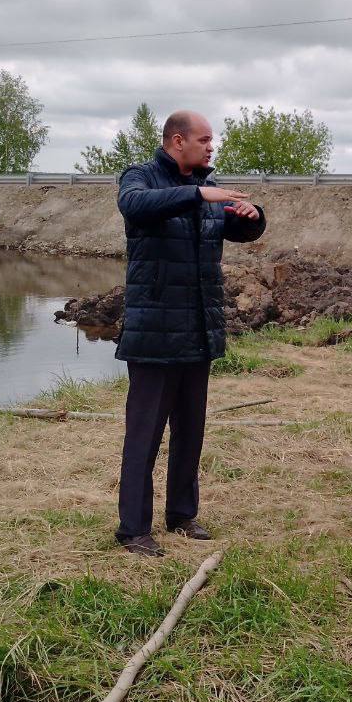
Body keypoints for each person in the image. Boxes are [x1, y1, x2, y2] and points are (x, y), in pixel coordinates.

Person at [113, 110, 266, 557]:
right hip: (154, 334)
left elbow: (242, 230)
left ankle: (182, 515)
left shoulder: (208, 193)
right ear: (177, 141)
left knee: (190, 432)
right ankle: (133, 529)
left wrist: (253, 216)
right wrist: (199, 193)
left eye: (210, 140)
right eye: (203, 140)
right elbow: (135, 207)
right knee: (144, 435)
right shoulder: (139, 178)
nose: (210, 146)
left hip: (197, 332)